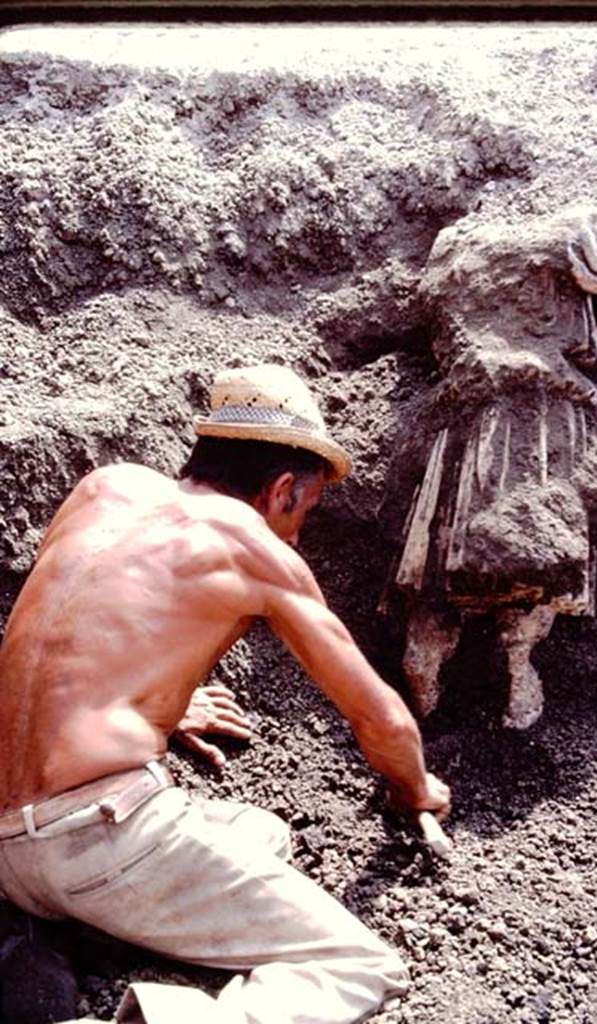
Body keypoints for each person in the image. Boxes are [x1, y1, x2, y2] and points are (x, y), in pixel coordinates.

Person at [0, 363, 450, 1024]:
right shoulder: (250, 547)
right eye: (305, 510)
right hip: (89, 841)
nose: (296, 533)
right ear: (280, 490)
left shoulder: (105, 488)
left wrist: (163, 705)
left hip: (10, 848)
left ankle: (61, 934)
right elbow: (380, 721)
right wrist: (414, 790)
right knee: (360, 965)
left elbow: (65, 638)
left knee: (260, 833)